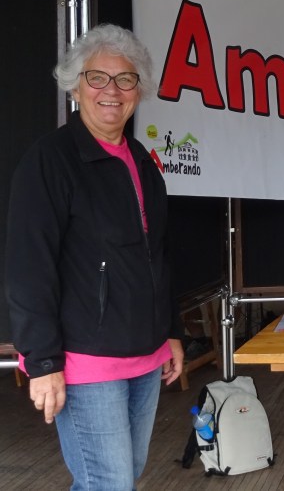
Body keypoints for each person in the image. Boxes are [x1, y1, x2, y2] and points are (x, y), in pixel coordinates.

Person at [5, 24, 184, 490]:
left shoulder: (142, 161)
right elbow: (29, 268)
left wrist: (171, 332)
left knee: (120, 477)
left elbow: (159, 255)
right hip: (85, 357)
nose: (112, 91)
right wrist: (43, 362)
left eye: (125, 79)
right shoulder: (50, 161)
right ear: (75, 86)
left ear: (138, 90)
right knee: (109, 482)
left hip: (145, 353)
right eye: (97, 77)